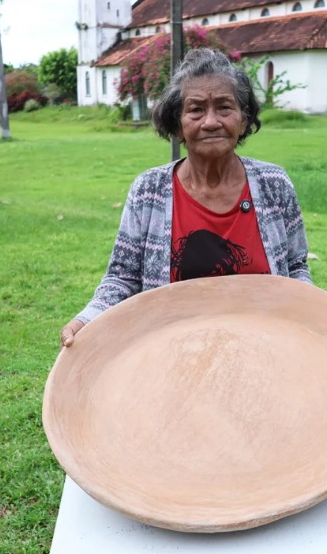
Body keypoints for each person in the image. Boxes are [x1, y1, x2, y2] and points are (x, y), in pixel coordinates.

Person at [60, 48, 311, 347]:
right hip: (172, 354)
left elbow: (296, 269)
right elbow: (123, 278)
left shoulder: (274, 184)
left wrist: (310, 314)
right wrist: (86, 319)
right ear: (177, 125)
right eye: (196, 110)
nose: (210, 121)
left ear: (243, 120)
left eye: (224, 107)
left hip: (263, 348)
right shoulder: (148, 191)